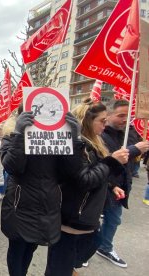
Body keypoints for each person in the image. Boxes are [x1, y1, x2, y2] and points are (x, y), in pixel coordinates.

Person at [44, 98, 128, 276]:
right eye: (102, 121)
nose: (105, 126)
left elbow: (97, 171)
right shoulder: (76, 146)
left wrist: (112, 186)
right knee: (58, 267)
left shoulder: (94, 143)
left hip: (86, 216)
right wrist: (112, 161)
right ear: (87, 122)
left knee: (88, 246)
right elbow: (85, 180)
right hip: (72, 218)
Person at [0, 110, 84, 276]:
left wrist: (75, 139)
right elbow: (12, 167)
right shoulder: (11, 135)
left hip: (47, 205)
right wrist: (20, 135)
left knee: (30, 247)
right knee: (17, 250)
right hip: (20, 205)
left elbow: (73, 171)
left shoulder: (57, 138)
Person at [96, 99, 149, 268]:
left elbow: (134, 156)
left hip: (121, 186)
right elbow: (105, 160)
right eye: (120, 115)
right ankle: (83, 251)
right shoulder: (99, 134)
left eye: (129, 116)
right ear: (108, 115)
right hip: (102, 185)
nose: (125, 119)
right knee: (90, 221)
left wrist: (141, 147)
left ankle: (105, 247)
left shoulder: (129, 132)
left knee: (113, 220)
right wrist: (134, 149)